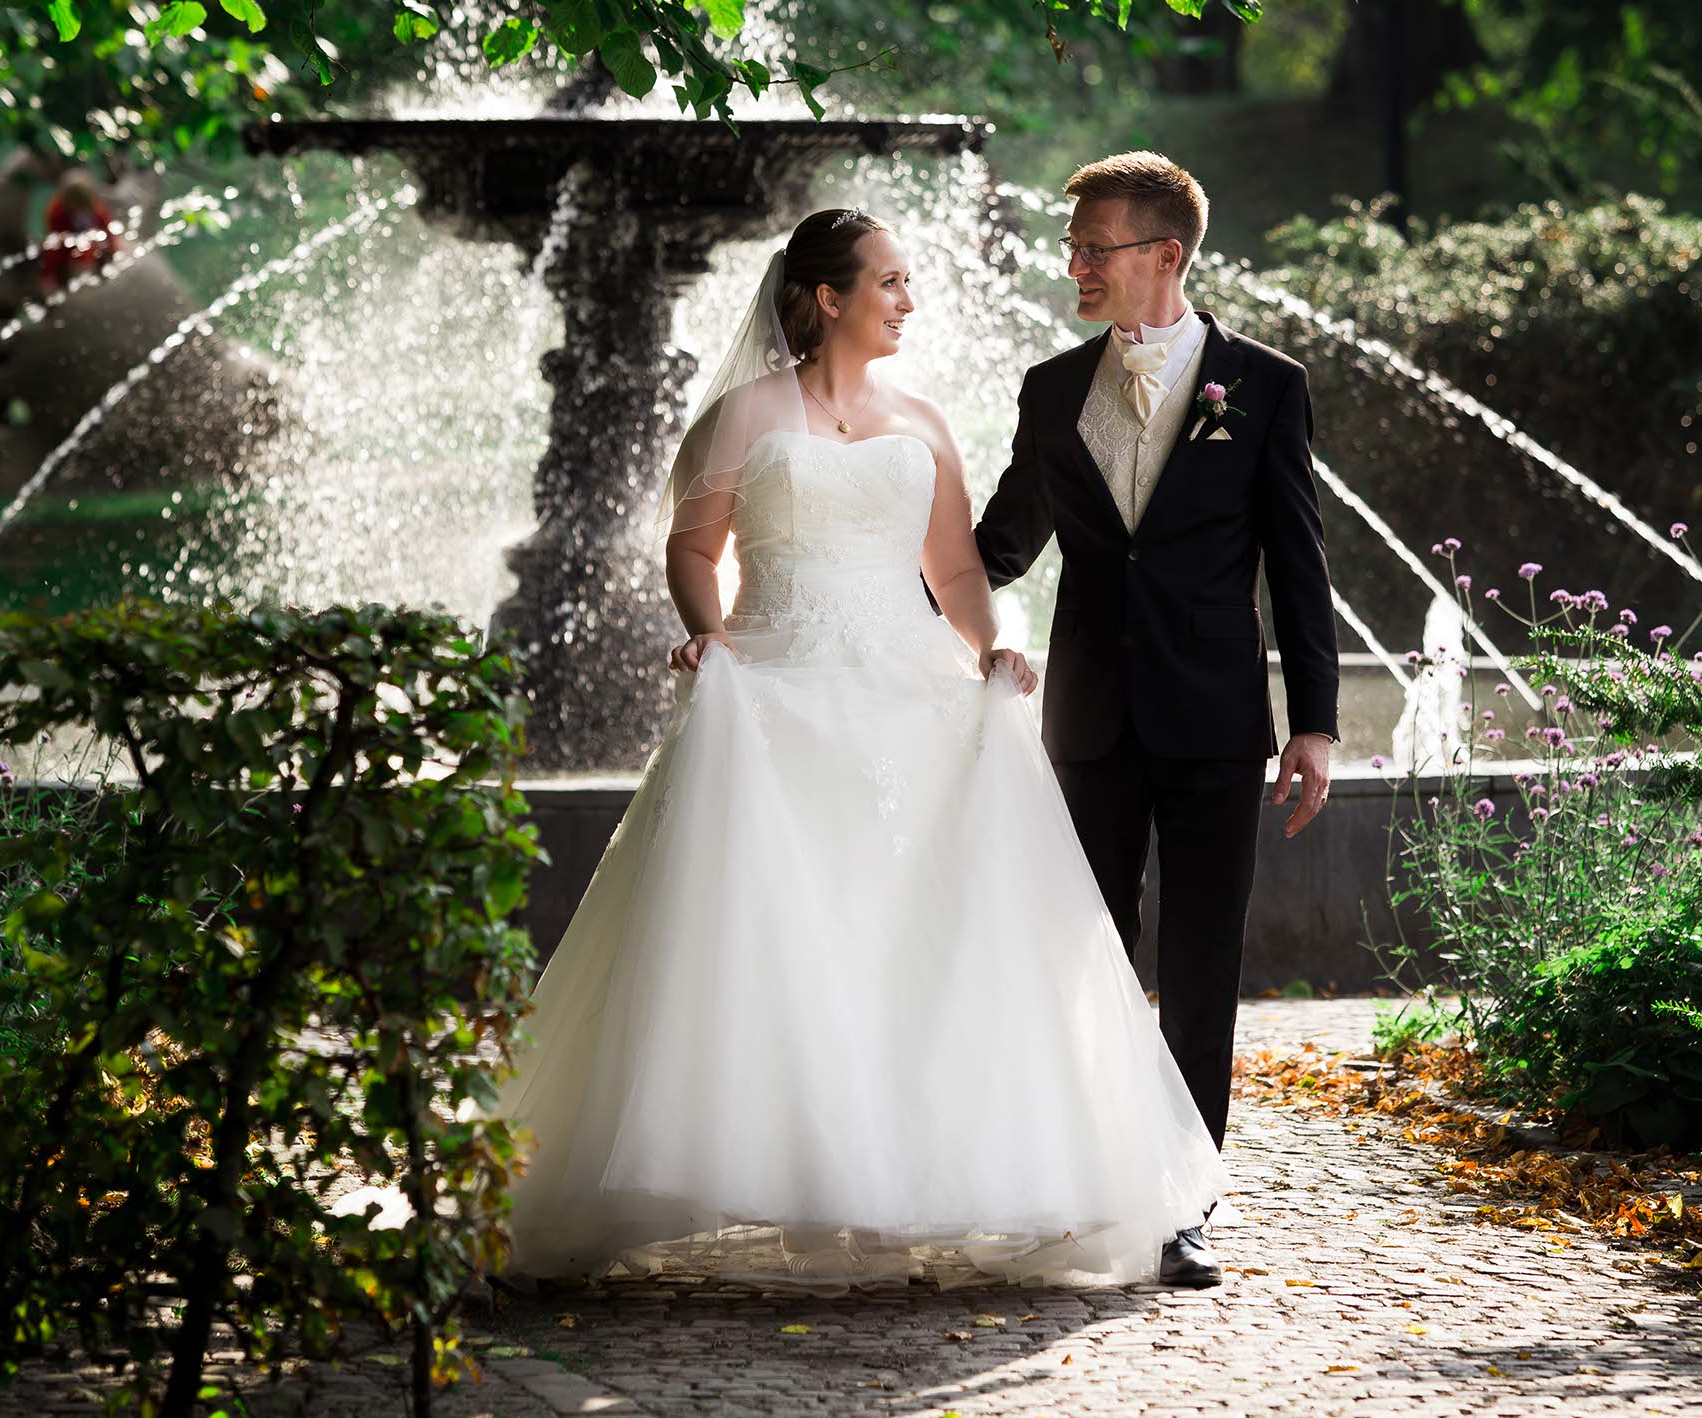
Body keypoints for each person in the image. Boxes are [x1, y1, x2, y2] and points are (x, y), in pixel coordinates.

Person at [497, 208, 1223, 1291]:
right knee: (786, 935)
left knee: (900, 932)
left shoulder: (922, 420)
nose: (907, 299)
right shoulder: (742, 417)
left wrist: (993, 649)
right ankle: (790, 1172)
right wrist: (706, 633)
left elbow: (958, 572)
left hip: (905, 689)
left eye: (909, 280)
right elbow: (693, 550)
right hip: (777, 690)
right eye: (888, 280)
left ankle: (901, 1178)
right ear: (827, 296)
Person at [974, 152, 1339, 1290]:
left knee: (1199, 959)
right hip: (1083, 715)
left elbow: (1298, 560)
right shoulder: (1050, 386)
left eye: (1096, 246)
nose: (1074, 263)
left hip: (1216, 718)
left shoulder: (1264, 385)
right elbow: (997, 545)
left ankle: (1187, 1199)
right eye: (1074, 245)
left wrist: (1315, 722)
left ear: (1164, 255)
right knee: (1079, 953)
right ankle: (1082, 1178)